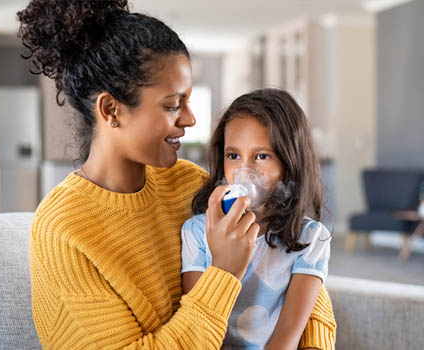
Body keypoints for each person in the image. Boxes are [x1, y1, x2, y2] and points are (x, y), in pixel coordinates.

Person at [17, 0, 335, 348]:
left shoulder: (187, 184)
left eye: (188, 101)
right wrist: (224, 273)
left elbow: (290, 264)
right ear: (111, 110)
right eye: (172, 105)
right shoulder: (63, 228)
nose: (190, 120)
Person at [182, 88, 336, 349]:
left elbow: (288, 335)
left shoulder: (311, 239)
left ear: (290, 162)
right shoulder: (198, 231)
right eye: (233, 156)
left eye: (262, 156)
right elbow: (197, 327)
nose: (244, 170)